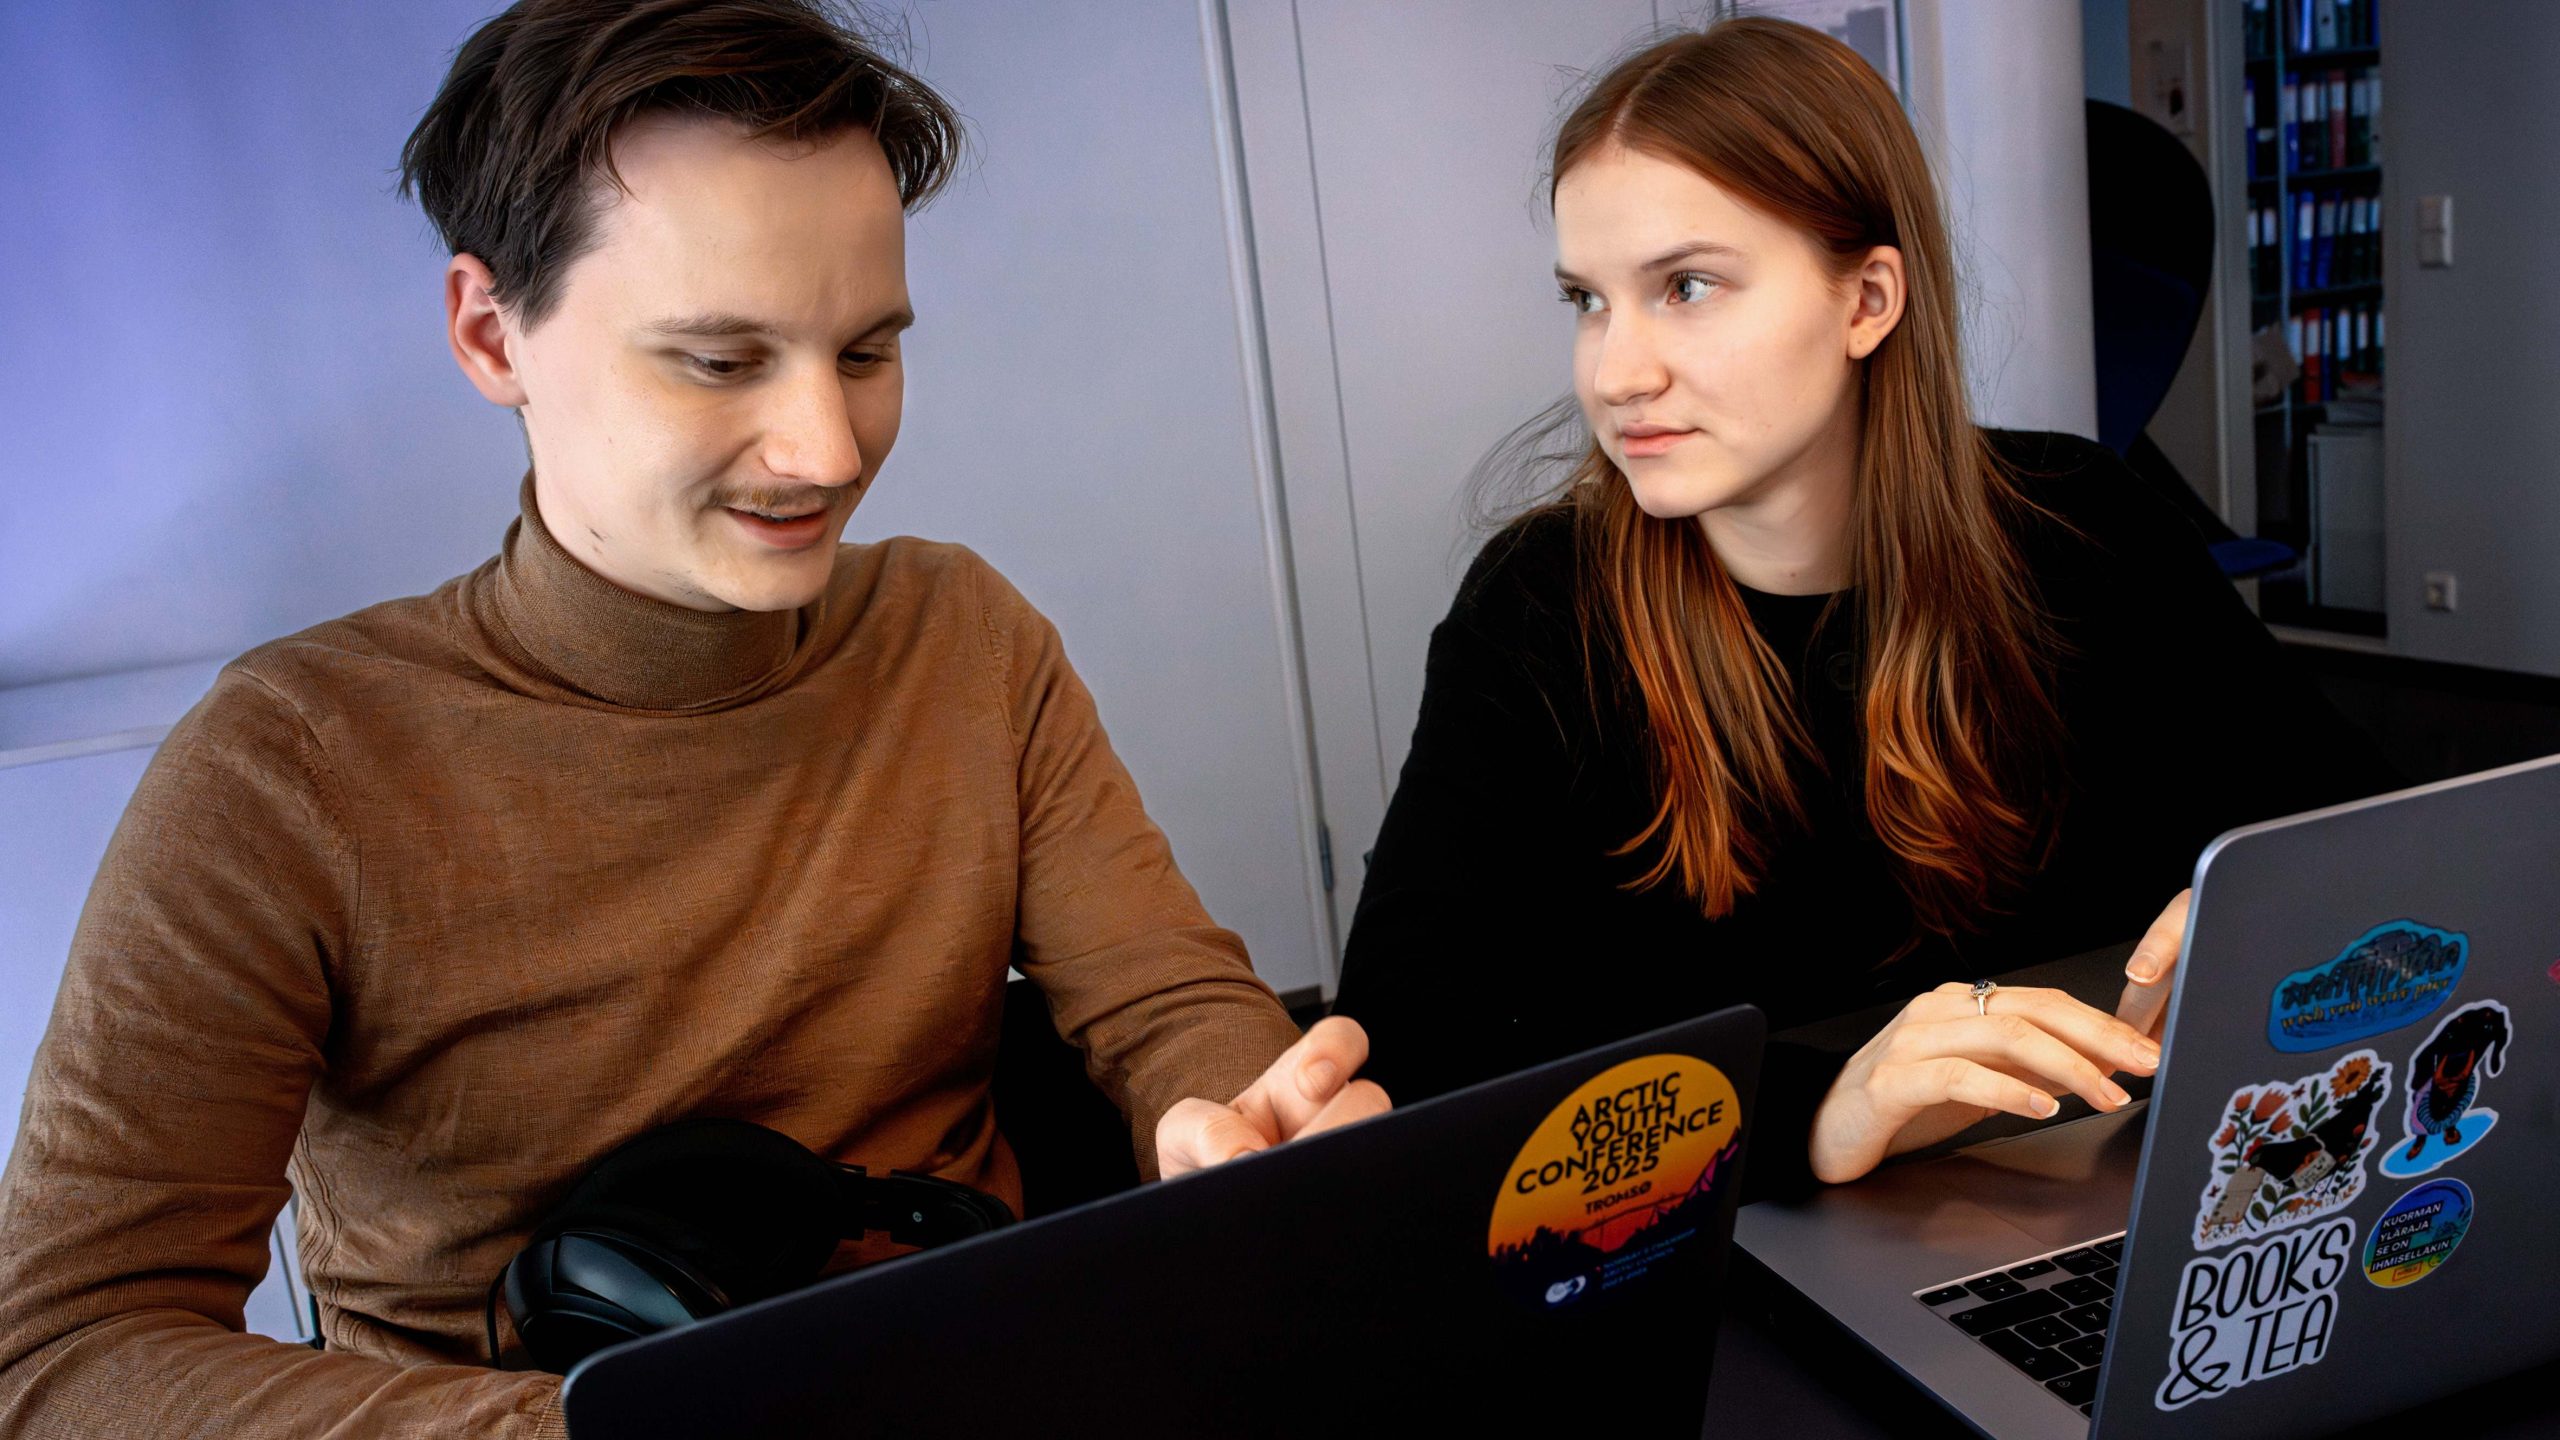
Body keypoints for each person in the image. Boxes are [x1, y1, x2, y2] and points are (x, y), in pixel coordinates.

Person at [0, 2, 1382, 1434]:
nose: (829, 453)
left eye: (865, 352)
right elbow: (63, 1353)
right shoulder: (288, 767)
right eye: (721, 363)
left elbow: (1170, 1008)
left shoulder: (961, 636)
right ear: (491, 332)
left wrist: (1257, 1119)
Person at [1329, 18, 2393, 1197]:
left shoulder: (2079, 522)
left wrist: (2277, 911)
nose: (1614, 372)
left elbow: (2367, 833)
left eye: (1685, 287)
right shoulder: (1538, 612)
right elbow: (1417, 1071)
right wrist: (1827, 1110)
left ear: (1867, 301)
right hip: (1728, 1262)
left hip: (2111, 1193)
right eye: (1588, 300)